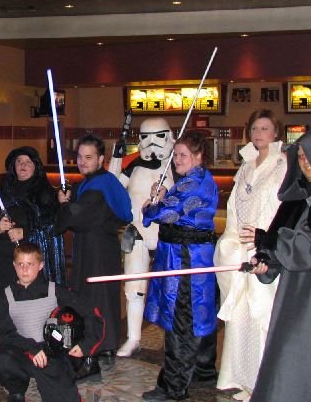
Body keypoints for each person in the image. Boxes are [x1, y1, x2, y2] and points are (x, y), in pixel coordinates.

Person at [249, 128, 311, 402]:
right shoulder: (296, 199)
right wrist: (265, 263)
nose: (305, 163)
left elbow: (308, 248)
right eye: (301, 156)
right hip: (294, 293)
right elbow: (279, 246)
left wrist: (270, 240)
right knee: (287, 353)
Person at [213, 110, 286, 401]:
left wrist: (263, 243)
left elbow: (279, 209)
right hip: (239, 249)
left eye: (265, 128)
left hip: (263, 249)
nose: (259, 133)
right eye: (255, 128)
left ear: (276, 132)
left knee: (262, 317)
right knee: (240, 318)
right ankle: (244, 380)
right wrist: (231, 242)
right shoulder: (246, 164)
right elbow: (234, 208)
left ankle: (264, 385)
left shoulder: (282, 164)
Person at [141, 130, 219, 402]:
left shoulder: (195, 183)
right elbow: (177, 207)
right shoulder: (192, 179)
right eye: (175, 155)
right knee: (196, 317)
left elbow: (168, 213)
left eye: (183, 155)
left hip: (186, 259)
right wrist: (163, 196)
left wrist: (151, 207)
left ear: (199, 156)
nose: (177, 160)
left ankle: (173, 387)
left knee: (181, 321)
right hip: (187, 255)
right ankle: (202, 371)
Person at [55, 133, 132, 381]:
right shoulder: (100, 182)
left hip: (95, 252)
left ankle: (93, 352)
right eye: (79, 156)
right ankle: (105, 345)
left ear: (100, 159)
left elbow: (77, 216)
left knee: (93, 299)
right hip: (99, 248)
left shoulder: (99, 187)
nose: (82, 161)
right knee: (103, 297)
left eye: (88, 157)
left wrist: (64, 206)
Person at [0, 243, 104, 402]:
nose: (24, 269)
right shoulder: (7, 295)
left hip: (51, 352)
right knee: (2, 361)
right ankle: (17, 390)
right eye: (20, 264)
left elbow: (90, 311)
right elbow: (5, 334)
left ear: (40, 265)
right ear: (14, 265)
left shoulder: (53, 290)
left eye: (30, 264)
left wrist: (86, 345)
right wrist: (31, 347)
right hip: (22, 348)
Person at [0, 146, 66, 357]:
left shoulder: (45, 193)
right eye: (19, 162)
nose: (23, 165)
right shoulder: (3, 192)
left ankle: (37, 348)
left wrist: (25, 233)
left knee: (29, 307)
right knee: (5, 306)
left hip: (32, 265)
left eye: (28, 162)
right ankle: (3, 348)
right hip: (5, 262)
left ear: (35, 166)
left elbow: (53, 226)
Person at [108, 117, 175, 358]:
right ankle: (133, 338)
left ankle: (173, 341)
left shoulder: (176, 165)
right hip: (136, 230)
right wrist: (117, 158)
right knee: (133, 287)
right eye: (146, 136)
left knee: (171, 289)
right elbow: (112, 186)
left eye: (158, 136)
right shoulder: (134, 165)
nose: (152, 142)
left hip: (167, 234)